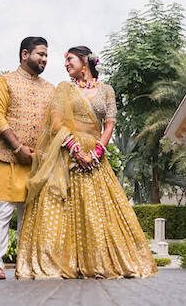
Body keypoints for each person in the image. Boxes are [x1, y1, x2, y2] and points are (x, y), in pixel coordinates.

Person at [15, 45, 157, 279]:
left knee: (96, 212)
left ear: (85, 61)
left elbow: (109, 124)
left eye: (70, 59)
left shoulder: (107, 90)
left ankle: (97, 261)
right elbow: (57, 123)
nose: (66, 64)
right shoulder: (64, 89)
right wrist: (74, 149)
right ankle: (65, 261)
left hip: (95, 156)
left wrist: (97, 152)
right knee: (62, 210)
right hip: (66, 155)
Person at [0, 36, 54, 280]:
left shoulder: (50, 89)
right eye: (40, 54)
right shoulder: (5, 81)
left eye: (46, 55)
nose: (44, 59)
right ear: (25, 55)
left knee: (31, 215)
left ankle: (26, 264)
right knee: (3, 211)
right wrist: (18, 148)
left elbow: (54, 125)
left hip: (38, 163)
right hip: (8, 158)